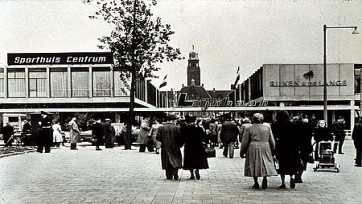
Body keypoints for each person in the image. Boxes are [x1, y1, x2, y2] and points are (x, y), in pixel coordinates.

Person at [240, 113, 277, 190]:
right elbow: (271, 139)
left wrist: (242, 151)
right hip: (265, 146)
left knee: (253, 163)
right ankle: (265, 178)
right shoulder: (267, 127)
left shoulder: (249, 128)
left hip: (253, 147)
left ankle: (256, 182)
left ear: (253, 119)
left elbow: (245, 141)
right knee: (265, 162)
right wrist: (273, 149)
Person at [271, 111, 302, 189]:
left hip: (280, 147)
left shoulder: (275, 126)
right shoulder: (293, 125)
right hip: (291, 147)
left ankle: (283, 182)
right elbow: (297, 138)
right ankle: (292, 177)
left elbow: (273, 137)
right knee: (291, 163)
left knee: (282, 164)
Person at [179, 114, 209, 180]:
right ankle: (197, 170)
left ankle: (192, 174)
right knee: (198, 159)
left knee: (189, 160)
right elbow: (204, 138)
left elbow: (181, 138)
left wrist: (179, 145)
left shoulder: (184, 129)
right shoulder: (199, 129)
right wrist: (206, 142)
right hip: (198, 146)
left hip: (189, 147)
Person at [156, 114, 182, 180]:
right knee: (176, 159)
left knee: (166, 160)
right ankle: (175, 171)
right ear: (173, 120)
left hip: (165, 147)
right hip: (175, 146)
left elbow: (158, 137)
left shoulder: (161, 128)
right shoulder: (177, 128)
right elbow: (181, 138)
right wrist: (180, 144)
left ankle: (168, 175)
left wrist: (163, 140)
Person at [294, 117, 314, 183]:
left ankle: (296, 175)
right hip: (306, 147)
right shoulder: (307, 127)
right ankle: (299, 176)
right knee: (304, 162)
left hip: (296, 147)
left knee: (296, 161)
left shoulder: (294, 127)